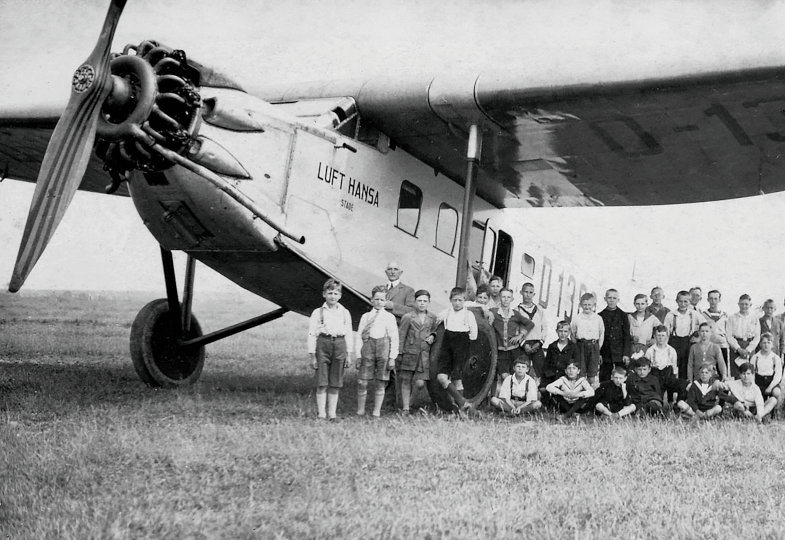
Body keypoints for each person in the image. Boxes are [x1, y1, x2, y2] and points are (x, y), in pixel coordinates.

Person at [307, 279, 353, 420]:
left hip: (339, 345)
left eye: (336, 293)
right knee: (322, 382)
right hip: (323, 344)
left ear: (340, 295)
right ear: (324, 294)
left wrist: (349, 354)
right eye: (330, 293)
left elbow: (349, 333)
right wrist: (312, 355)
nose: (333, 296)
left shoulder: (344, 312)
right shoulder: (317, 312)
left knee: (335, 382)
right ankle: (321, 413)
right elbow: (311, 334)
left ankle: (332, 413)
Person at [356, 285, 400, 417]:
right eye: (376, 299)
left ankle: (376, 411)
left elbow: (394, 338)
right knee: (362, 381)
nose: (379, 302)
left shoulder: (389, 317)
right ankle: (361, 410)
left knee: (381, 382)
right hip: (368, 348)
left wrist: (392, 357)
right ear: (371, 300)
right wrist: (358, 356)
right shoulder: (365, 317)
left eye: (382, 300)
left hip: (383, 349)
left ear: (386, 301)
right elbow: (359, 336)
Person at [435, 287, 478, 412]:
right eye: (455, 300)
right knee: (441, 377)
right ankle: (462, 403)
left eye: (460, 300)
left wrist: (465, 345)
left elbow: (474, 334)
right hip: (447, 345)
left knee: (457, 378)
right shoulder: (446, 312)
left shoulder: (468, 314)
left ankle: (459, 410)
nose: (457, 303)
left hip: (462, 344)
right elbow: (436, 320)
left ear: (464, 301)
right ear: (450, 300)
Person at [396, 290, 437, 415]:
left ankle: (410, 403)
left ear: (429, 302)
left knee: (420, 383)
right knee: (406, 380)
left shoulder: (432, 317)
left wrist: (433, 336)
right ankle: (406, 408)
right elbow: (401, 335)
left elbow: (435, 330)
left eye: (425, 301)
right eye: (419, 301)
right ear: (415, 302)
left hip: (423, 355)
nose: (422, 303)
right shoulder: (408, 317)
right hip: (409, 353)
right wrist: (399, 353)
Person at [489, 287, 534, 385]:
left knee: (516, 374)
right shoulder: (493, 312)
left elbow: (530, 324)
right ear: (499, 298)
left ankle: (515, 393)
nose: (506, 299)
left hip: (514, 350)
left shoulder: (515, 314)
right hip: (501, 351)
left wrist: (520, 335)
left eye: (508, 297)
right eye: (503, 297)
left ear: (512, 299)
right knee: (504, 375)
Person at [663, 290, 701, 379]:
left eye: (685, 301)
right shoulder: (671, 315)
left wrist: (698, 338)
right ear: (676, 301)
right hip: (674, 342)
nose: (683, 304)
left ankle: (685, 386)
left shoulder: (694, 314)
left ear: (690, 302)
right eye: (680, 301)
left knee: (686, 366)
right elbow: (665, 332)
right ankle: (672, 387)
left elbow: (706, 325)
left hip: (688, 342)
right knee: (672, 366)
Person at [570, 293, 605, 387]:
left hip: (594, 347)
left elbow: (601, 334)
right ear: (581, 305)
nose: (587, 307)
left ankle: (591, 392)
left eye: (589, 304)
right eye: (585, 304)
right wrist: (577, 347)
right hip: (581, 347)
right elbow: (572, 334)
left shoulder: (598, 318)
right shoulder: (577, 318)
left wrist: (597, 348)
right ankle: (580, 392)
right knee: (580, 373)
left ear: (593, 305)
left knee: (592, 374)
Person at [542, 321, 579, 405]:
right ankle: (547, 405)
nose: (563, 334)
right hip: (552, 375)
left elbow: (576, 364)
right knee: (543, 389)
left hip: (565, 376)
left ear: (569, 332)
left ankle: (557, 404)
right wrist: (545, 377)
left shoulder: (573, 347)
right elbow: (546, 363)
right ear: (556, 331)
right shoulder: (552, 346)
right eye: (560, 331)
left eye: (565, 331)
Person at [598, 288, 631, 383]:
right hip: (605, 352)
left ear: (618, 300)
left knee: (621, 376)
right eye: (609, 298)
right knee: (604, 377)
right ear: (605, 299)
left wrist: (626, 354)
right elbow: (598, 336)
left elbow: (627, 336)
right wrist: (599, 353)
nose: (611, 300)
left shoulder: (623, 315)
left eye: (614, 298)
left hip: (619, 352)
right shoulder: (600, 315)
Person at [517, 282, 548, 381]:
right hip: (524, 345)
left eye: (530, 292)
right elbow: (515, 329)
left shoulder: (539, 309)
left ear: (534, 294)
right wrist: (523, 343)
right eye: (525, 292)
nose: (528, 295)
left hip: (537, 344)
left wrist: (540, 342)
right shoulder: (517, 310)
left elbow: (544, 327)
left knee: (541, 371)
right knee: (521, 370)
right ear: (521, 292)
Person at [727, 294, 761, 379]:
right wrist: (738, 349)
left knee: (749, 372)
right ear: (738, 304)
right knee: (738, 374)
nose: (744, 306)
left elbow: (757, 336)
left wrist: (748, 350)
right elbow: (729, 335)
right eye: (742, 304)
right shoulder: (732, 317)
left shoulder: (754, 318)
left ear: (750, 305)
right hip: (736, 347)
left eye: (746, 304)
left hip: (750, 346)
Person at [749, 332, 782, 410]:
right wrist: (754, 386)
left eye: (768, 342)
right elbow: (751, 374)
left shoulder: (775, 358)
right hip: (759, 382)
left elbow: (778, 375)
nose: (766, 345)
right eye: (764, 343)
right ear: (760, 344)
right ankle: (758, 409)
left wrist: (770, 387)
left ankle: (775, 412)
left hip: (771, 381)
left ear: (772, 344)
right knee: (756, 398)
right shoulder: (755, 357)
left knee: (777, 392)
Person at [701, 290, 730, 375]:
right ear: (707, 300)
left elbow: (728, 332)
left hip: (722, 346)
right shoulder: (703, 315)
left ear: (719, 300)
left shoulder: (724, 315)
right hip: (708, 346)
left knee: (722, 371)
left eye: (715, 299)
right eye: (711, 299)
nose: (713, 301)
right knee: (708, 370)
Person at [645, 325, 678, 399]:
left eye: (663, 335)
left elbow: (674, 368)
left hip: (668, 376)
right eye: (658, 335)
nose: (660, 338)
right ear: (654, 336)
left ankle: (670, 402)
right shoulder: (650, 351)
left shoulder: (672, 350)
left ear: (667, 337)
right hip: (656, 376)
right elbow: (646, 367)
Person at [629, 294, 660, 363]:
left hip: (646, 346)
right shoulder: (630, 317)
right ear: (634, 304)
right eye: (637, 304)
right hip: (633, 347)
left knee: (645, 364)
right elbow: (624, 332)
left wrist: (655, 339)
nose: (640, 306)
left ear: (647, 304)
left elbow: (661, 329)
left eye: (642, 304)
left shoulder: (651, 317)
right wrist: (631, 337)